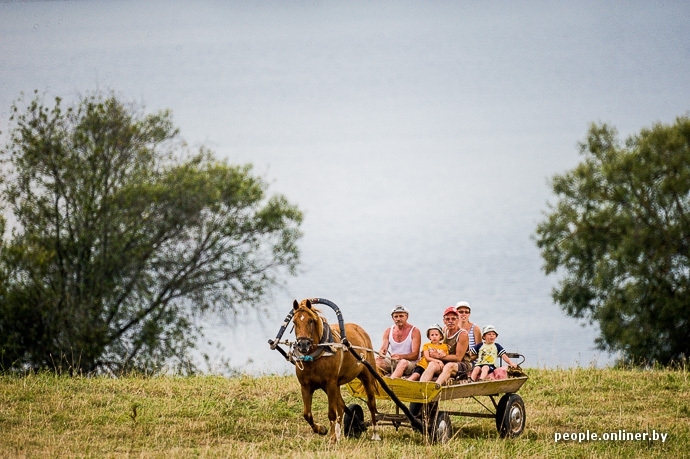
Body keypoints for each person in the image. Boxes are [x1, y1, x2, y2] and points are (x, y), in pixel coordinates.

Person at [427, 306, 472, 386]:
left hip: (462, 364)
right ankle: (420, 387)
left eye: (453, 319)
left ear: (458, 320)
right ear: (444, 321)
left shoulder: (462, 334)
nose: (450, 321)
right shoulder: (444, 330)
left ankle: (435, 388)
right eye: (448, 319)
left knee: (449, 366)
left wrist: (439, 356)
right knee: (432, 364)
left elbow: (458, 358)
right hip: (446, 361)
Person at [376, 305, 422, 378]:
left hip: (410, 363)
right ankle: (374, 383)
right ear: (392, 318)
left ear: (407, 317)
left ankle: (391, 383)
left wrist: (400, 356)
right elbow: (383, 349)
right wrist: (382, 353)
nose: (398, 319)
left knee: (402, 362)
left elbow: (415, 355)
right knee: (377, 361)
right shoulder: (388, 331)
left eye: (401, 316)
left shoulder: (414, 331)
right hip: (394, 361)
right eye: (396, 317)